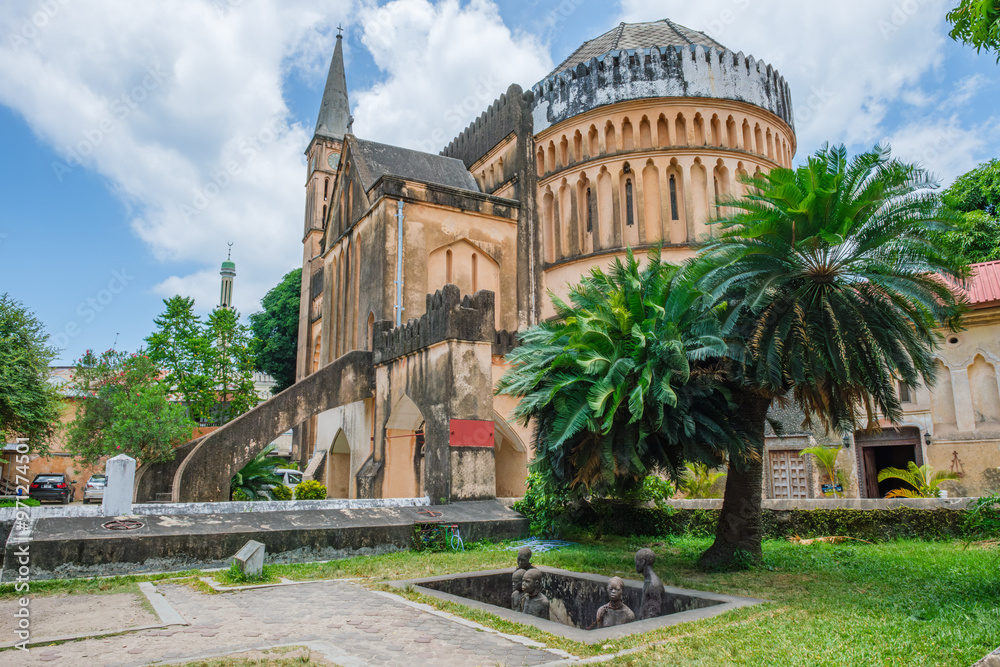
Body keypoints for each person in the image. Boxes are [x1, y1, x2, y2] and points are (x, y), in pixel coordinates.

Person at [635, 548, 663, 620]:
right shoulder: (648, 581)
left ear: (642, 561)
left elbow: (654, 613)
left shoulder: (653, 585)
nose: (636, 564)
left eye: (637, 561)